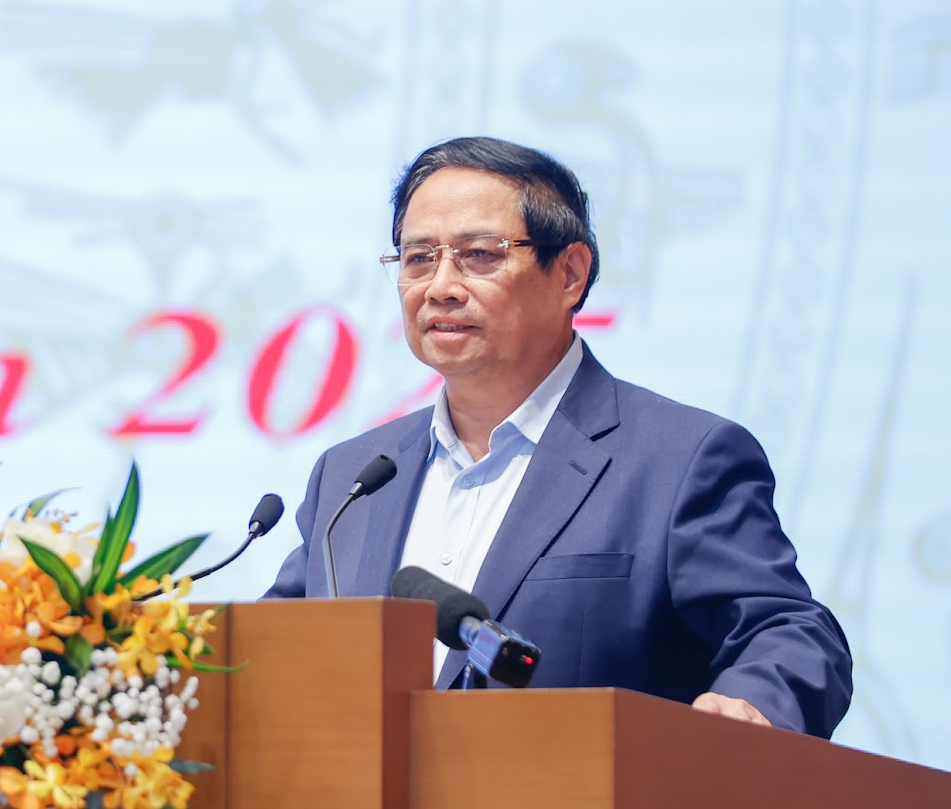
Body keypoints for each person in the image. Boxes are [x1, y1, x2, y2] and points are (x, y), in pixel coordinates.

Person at [264, 136, 851, 738]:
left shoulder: (679, 460)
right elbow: (269, 652)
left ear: (570, 272)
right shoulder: (354, 474)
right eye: (417, 259)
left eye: (478, 255)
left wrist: (750, 706)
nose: (439, 286)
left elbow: (789, 632)